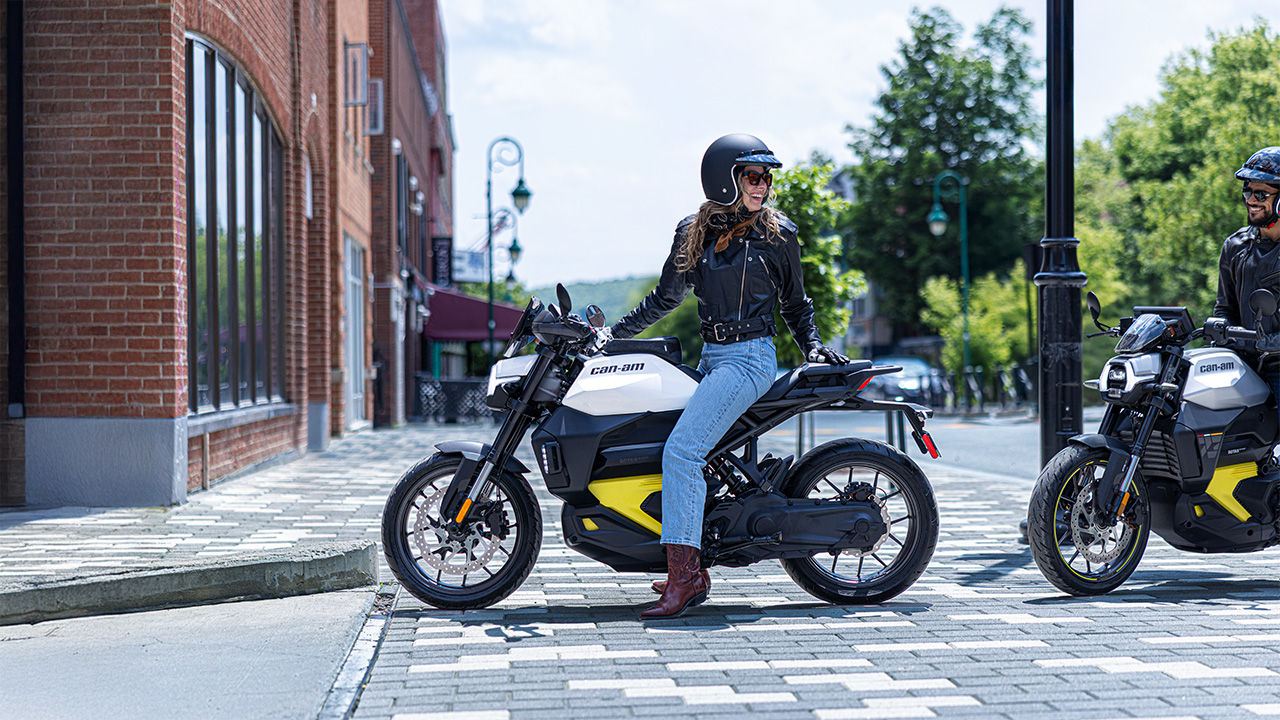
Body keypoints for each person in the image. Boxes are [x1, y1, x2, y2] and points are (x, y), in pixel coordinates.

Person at [609, 133, 849, 619]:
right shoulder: (691, 232)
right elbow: (665, 299)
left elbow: (795, 304)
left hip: (751, 359)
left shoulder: (779, 234)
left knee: (682, 452)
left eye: (766, 178)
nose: (763, 186)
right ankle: (693, 563)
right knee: (679, 448)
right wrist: (611, 337)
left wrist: (815, 347)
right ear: (726, 181)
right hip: (713, 358)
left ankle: (684, 578)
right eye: (753, 177)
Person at [1213, 147, 1280, 399]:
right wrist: (1220, 329)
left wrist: (1268, 342)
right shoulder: (1235, 245)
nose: (1251, 200)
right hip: (1241, 365)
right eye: (1247, 190)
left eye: (1261, 193)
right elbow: (1224, 309)